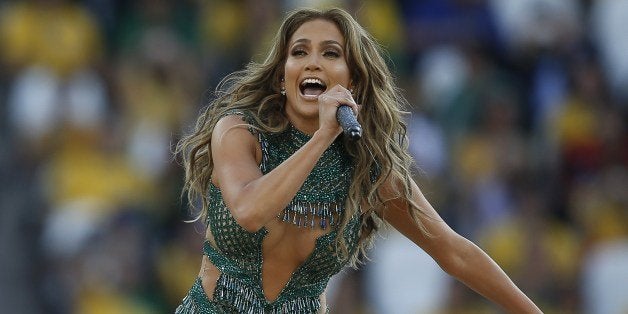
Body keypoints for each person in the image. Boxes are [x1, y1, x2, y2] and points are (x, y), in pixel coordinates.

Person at [174, 7, 542, 314]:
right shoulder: (239, 131)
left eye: (331, 53)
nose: (312, 62)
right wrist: (322, 137)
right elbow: (250, 210)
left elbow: (452, 252)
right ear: (282, 78)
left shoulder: (367, 170)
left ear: (354, 83)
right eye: (299, 52)